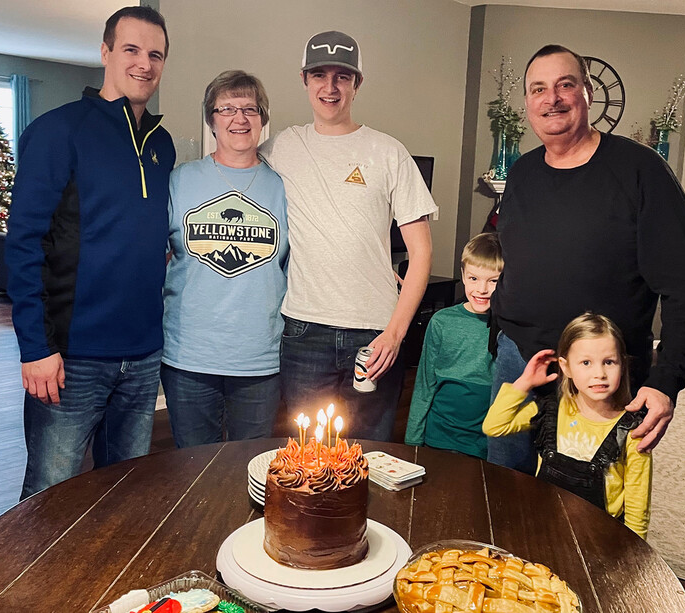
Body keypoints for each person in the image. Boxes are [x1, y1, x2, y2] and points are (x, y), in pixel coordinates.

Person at [487, 44, 685, 471]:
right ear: (528, 103)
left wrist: (667, 382)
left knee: (590, 514)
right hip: (519, 363)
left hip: (602, 373)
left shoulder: (641, 171)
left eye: (564, 85)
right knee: (506, 495)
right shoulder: (522, 172)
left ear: (587, 93)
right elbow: (512, 258)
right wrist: (496, 330)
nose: (551, 98)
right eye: (538, 89)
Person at [5, 6, 174, 499]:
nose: (144, 63)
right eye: (131, 50)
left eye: (156, 54)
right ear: (105, 52)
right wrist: (35, 347)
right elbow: (23, 243)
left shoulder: (162, 145)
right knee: (47, 495)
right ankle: (34, 579)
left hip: (143, 357)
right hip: (71, 357)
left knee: (125, 493)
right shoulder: (58, 131)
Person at [259, 30, 438, 441]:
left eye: (342, 76)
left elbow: (422, 252)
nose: (330, 86)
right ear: (304, 79)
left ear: (357, 84)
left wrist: (395, 333)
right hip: (304, 330)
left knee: (368, 452)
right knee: (306, 453)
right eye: (319, 74)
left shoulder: (389, 152)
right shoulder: (282, 147)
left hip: (374, 331)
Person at [161, 70, 288, 447]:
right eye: (227, 108)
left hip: (259, 357)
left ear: (262, 120)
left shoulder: (283, 186)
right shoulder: (180, 180)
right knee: (193, 468)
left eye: (250, 108)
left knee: (252, 465)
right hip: (189, 357)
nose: (240, 118)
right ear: (211, 119)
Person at [483, 313, 652, 539]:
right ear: (566, 367)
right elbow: (494, 426)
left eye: (609, 362)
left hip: (601, 536)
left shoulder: (633, 431)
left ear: (622, 364)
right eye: (586, 363)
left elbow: (637, 506)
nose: (599, 374)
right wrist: (524, 383)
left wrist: (634, 552)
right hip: (544, 524)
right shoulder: (551, 410)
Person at [405, 233, 500, 459]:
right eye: (474, 278)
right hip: (439, 437)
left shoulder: (507, 328)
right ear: (463, 276)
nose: (482, 289)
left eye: (493, 280)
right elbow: (425, 384)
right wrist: (412, 441)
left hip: (484, 444)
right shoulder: (441, 322)